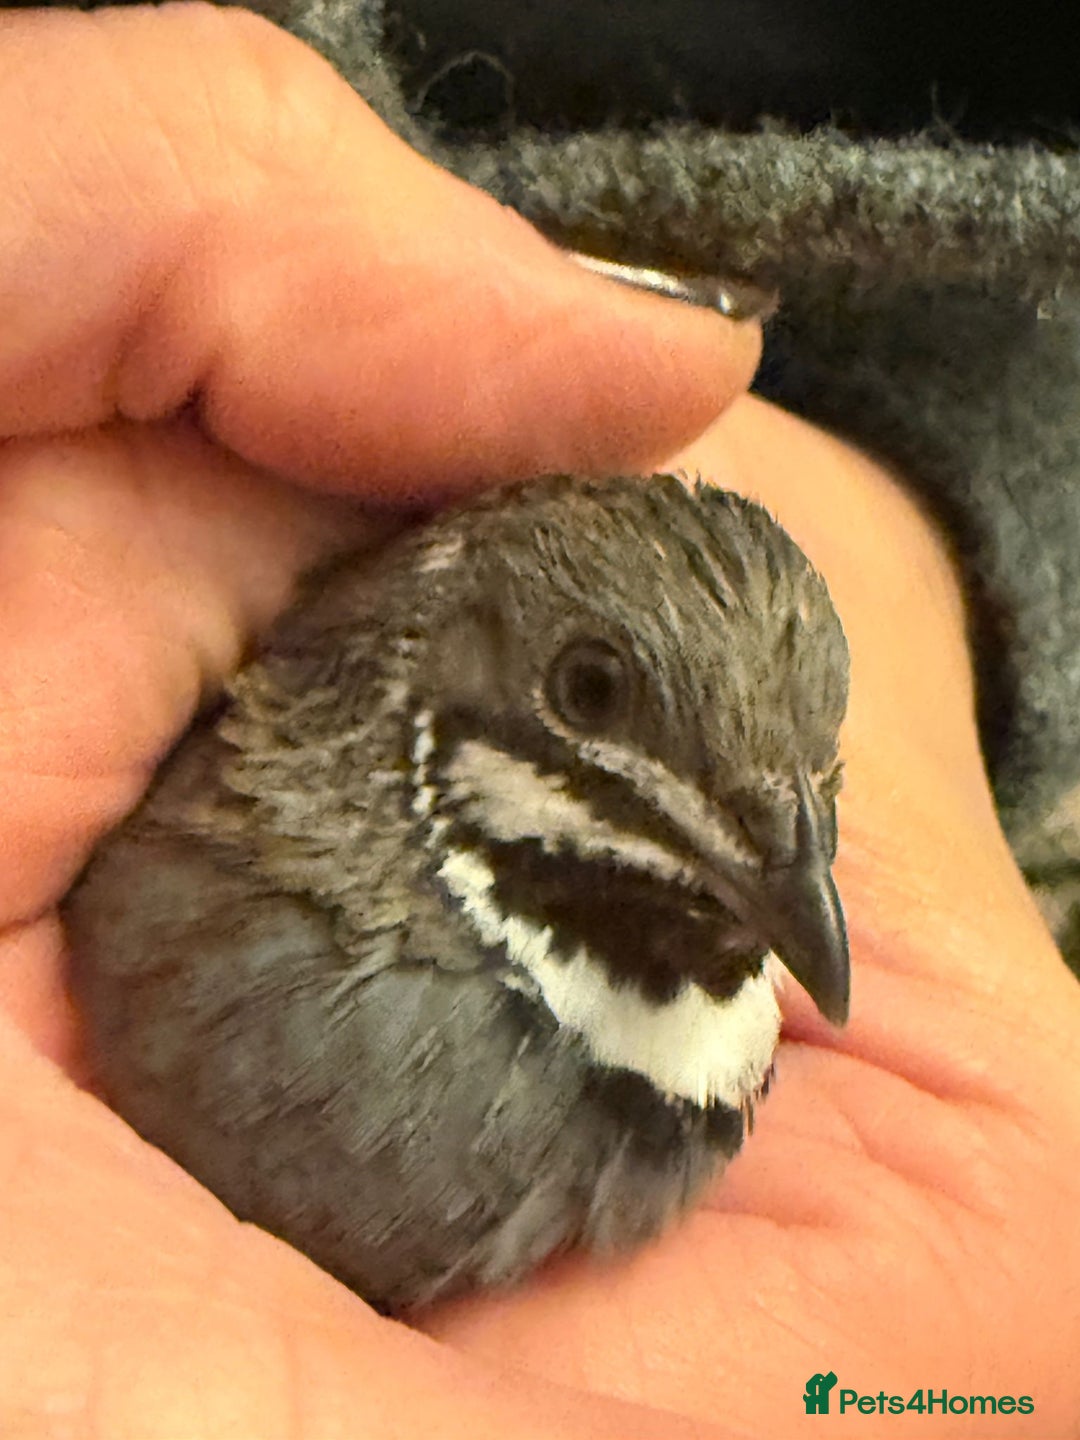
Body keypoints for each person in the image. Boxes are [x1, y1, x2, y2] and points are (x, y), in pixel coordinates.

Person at [1, 6, 1077, 1435]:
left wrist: (917, 534)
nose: (779, 851)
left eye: (803, 793)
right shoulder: (224, 893)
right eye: (593, 699)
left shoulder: (738, 997)